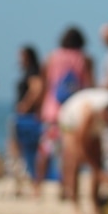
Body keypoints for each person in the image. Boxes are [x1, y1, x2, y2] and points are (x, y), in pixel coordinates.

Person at [35, 26, 94, 203]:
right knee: (69, 153)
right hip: (73, 113)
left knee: (46, 150)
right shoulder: (84, 59)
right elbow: (89, 85)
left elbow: (43, 85)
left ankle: (38, 186)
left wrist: (39, 107)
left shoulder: (51, 57)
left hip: (52, 110)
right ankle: (66, 188)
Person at [59, 88, 108, 214]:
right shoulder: (89, 112)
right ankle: (75, 204)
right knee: (75, 161)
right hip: (70, 120)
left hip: (93, 121)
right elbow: (81, 143)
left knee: (97, 160)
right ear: (105, 113)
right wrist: (99, 173)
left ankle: (95, 204)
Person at [6, 45, 44, 196]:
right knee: (22, 151)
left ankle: (28, 184)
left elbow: (37, 89)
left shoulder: (33, 72)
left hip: (27, 118)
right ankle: (23, 184)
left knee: (23, 151)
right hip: (26, 117)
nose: (18, 59)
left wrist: (25, 105)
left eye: (21, 55)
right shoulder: (29, 71)